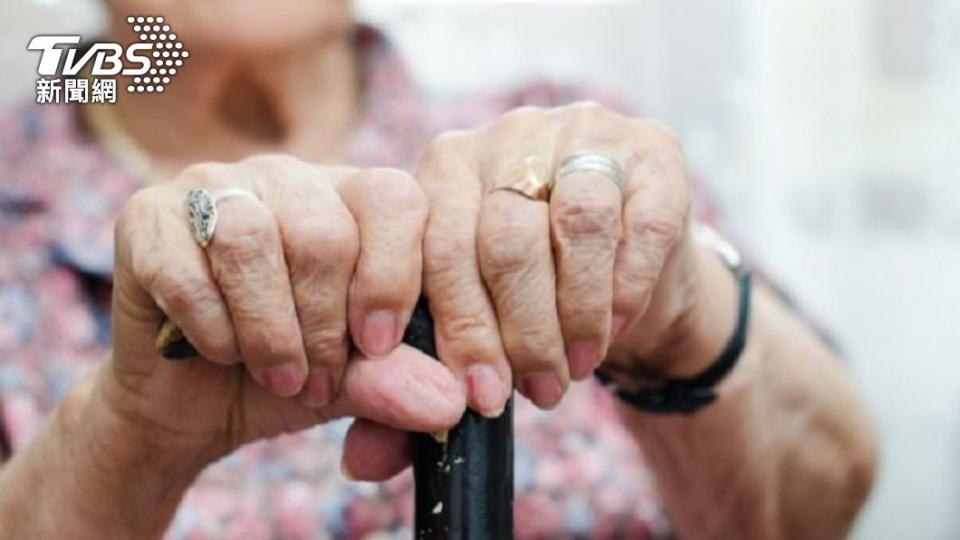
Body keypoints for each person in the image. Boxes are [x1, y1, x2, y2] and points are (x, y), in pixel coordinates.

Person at [0, 1, 878, 538]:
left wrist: (678, 312)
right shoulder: (18, 204)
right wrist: (125, 440)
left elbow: (823, 506)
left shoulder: (571, 146)